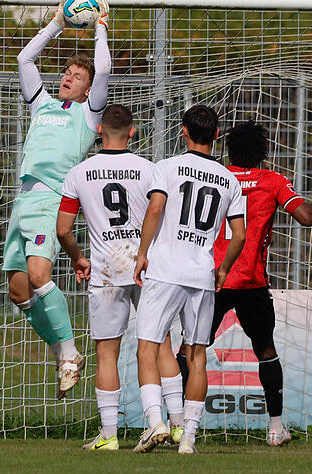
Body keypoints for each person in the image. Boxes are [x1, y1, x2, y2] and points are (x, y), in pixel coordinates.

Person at [175, 120, 312, 447]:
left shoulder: (217, 176)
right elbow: (306, 217)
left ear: (229, 149)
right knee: (265, 349)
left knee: (191, 349)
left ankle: (179, 423)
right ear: (263, 152)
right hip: (251, 280)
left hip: (214, 277)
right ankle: (275, 429)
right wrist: (307, 204)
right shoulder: (273, 181)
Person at [57, 104, 184, 450]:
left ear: (99, 131)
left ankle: (110, 436)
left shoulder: (79, 173)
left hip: (107, 269)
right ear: (132, 132)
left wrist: (79, 258)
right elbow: (162, 215)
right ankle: (176, 426)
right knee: (162, 346)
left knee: (107, 353)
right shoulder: (149, 169)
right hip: (147, 265)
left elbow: (63, 230)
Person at [4, 0, 111, 399]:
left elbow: (103, 69)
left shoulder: (87, 115)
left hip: (50, 199)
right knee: (19, 291)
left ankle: (69, 353)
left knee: (38, 277)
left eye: (76, 76)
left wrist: (100, 25)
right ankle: (61, 351)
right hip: (22, 201)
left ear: (87, 88)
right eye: (67, 72)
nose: (69, 77)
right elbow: (24, 59)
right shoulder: (43, 104)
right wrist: (56, 24)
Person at [132, 105, 246, 455]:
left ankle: (156, 424)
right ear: (215, 136)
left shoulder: (166, 167)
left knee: (147, 348)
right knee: (197, 355)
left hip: (165, 269)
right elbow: (239, 234)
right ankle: (190, 438)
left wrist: (142, 252)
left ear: (183, 131)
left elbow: (155, 209)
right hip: (201, 272)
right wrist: (223, 268)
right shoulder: (229, 180)